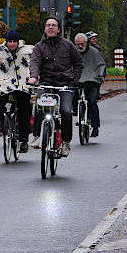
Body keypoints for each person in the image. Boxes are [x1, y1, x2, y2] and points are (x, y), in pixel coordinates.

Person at [27, 16, 83, 157]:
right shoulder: (39, 47)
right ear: (45, 29)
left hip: (65, 84)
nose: (50, 27)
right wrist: (34, 77)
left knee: (65, 111)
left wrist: (74, 80)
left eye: (53, 25)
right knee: (39, 105)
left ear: (58, 29)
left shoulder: (68, 45)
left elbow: (78, 64)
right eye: (48, 25)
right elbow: (34, 63)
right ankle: (38, 136)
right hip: (46, 82)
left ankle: (65, 142)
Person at [0, 30, 33, 152]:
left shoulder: (27, 51)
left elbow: (32, 64)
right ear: (6, 42)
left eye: (14, 42)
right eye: (10, 41)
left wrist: (31, 79)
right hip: (6, 83)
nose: (12, 44)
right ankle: (4, 123)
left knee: (24, 109)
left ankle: (24, 139)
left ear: (18, 42)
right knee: (2, 102)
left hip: (22, 83)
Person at [74, 33, 104, 137]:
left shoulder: (94, 52)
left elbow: (101, 65)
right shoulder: (73, 52)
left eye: (82, 44)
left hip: (92, 80)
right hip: (78, 80)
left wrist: (100, 75)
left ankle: (95, 127)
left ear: (87, 43)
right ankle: (77, 112)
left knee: (92, 101)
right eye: (78, 44)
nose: (80, 46)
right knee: (73, 96)